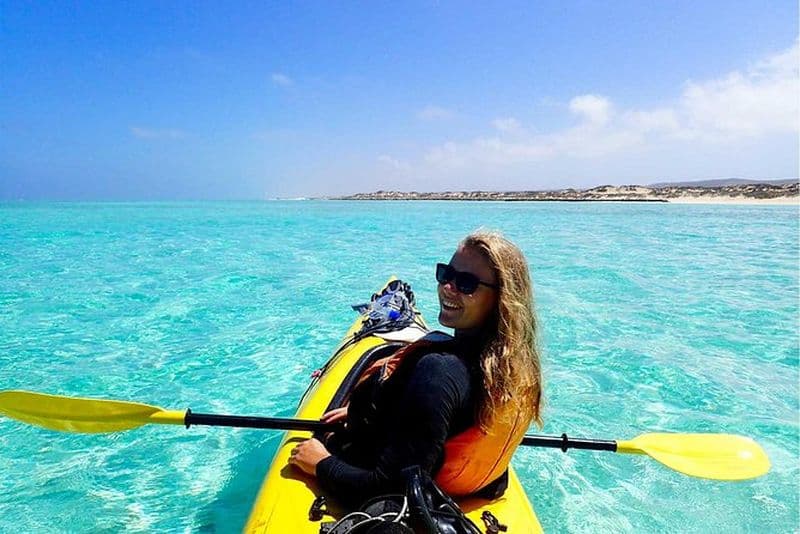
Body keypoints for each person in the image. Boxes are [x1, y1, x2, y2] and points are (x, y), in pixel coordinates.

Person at [288, 230, 543, 506]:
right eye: (446, 274)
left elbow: (393, 489)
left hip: (377, 481)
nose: (448, 287)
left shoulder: (440, 373)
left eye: (466, 283)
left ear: (501, 299)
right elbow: (446, 417)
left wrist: (321, 463)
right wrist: (368, 410)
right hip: (474, 486)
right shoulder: (510, 366)